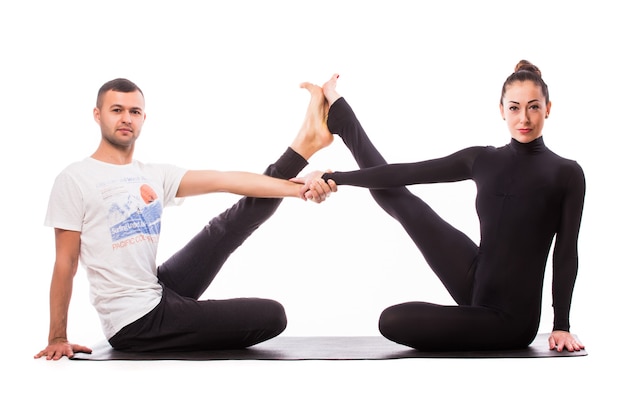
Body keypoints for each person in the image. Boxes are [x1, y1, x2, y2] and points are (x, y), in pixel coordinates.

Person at [35, 78, 335, 360]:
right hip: (136, 322)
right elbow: (66, 262)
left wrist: (299, 190)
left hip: (156, 289)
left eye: (134, 111)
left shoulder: (152, 174)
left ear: (143, 119)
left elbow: (226, 180)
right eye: (117, 110)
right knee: (272, 315)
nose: (126, 118)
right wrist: (57, 336)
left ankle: (306, 142)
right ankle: (184, 319)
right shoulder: (75, 179)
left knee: (225, 228)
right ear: (98, 115)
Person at [301, 62, 585, 352]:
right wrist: (334, 178)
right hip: (477, 279)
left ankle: (472, 321)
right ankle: (341, 117)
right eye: (514, 108)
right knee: (402, 201)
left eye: (533, 107)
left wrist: (561, 324)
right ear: (502, 110)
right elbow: (405, 172)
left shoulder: (566, 173)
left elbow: (565, 253)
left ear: (548, 108)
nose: (524, 117)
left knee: (393, 320)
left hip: (510, 321)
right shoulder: (483, 160)